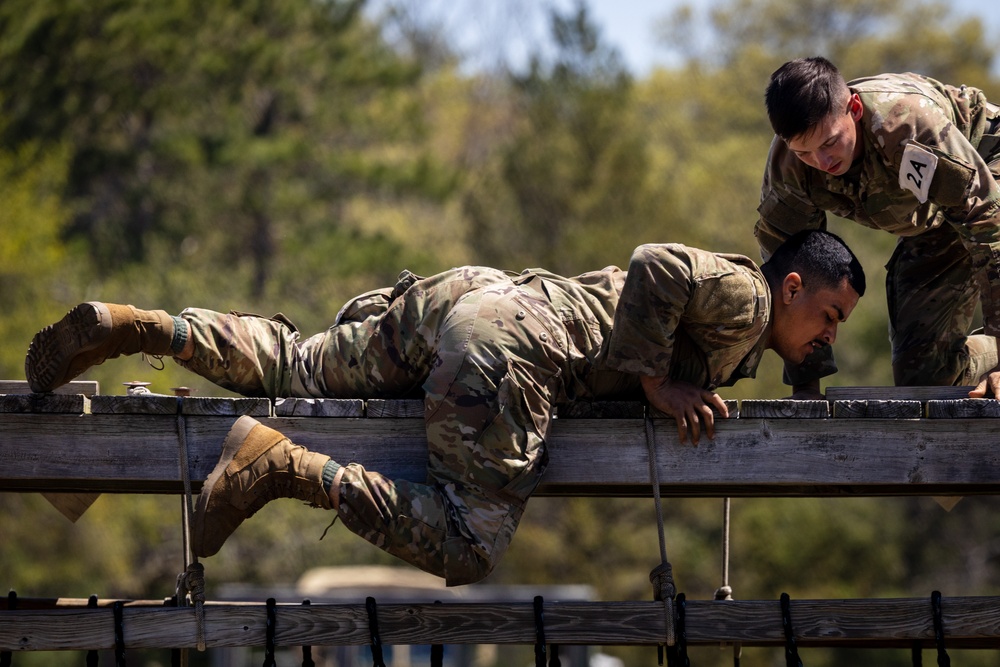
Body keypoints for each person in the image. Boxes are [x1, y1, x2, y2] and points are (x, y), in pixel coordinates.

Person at [25, 231, 864, 585]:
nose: (827, 337)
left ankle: (145, 325)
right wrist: (653, 380)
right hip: (513, 347)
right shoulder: (751, 295)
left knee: (300, 361)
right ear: (794, 286)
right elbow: (657, 263)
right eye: (828, 316)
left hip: (468, 301)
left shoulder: (750, 333)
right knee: (466, 545)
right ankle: (283, 466)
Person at [757, 56, 1000, 399]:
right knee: (922, 376)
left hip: (987, 168)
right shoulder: (789, 168)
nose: (822, 163)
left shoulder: (906, 127)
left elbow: (989, 223)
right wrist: (806, 389)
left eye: (829, 143)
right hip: (933, 217)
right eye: (804, 153)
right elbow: (790, 284)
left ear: (854, 108)